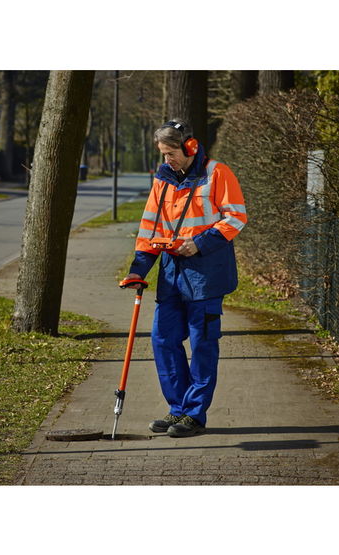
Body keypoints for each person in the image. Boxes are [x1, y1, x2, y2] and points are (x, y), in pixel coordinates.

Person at [123, 119, 247, 437]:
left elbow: (236, 216)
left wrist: (200, 243)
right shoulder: (162, 180)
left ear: (189, 146)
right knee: (163, 340)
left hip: (206, 277)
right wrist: (138, 270)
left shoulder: (217, 173)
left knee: (203, 344)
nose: (167, 160)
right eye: (163, 154)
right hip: (170, 273)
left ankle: (194, 414)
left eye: (171, 153)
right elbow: (150, 228)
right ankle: (178, 410)